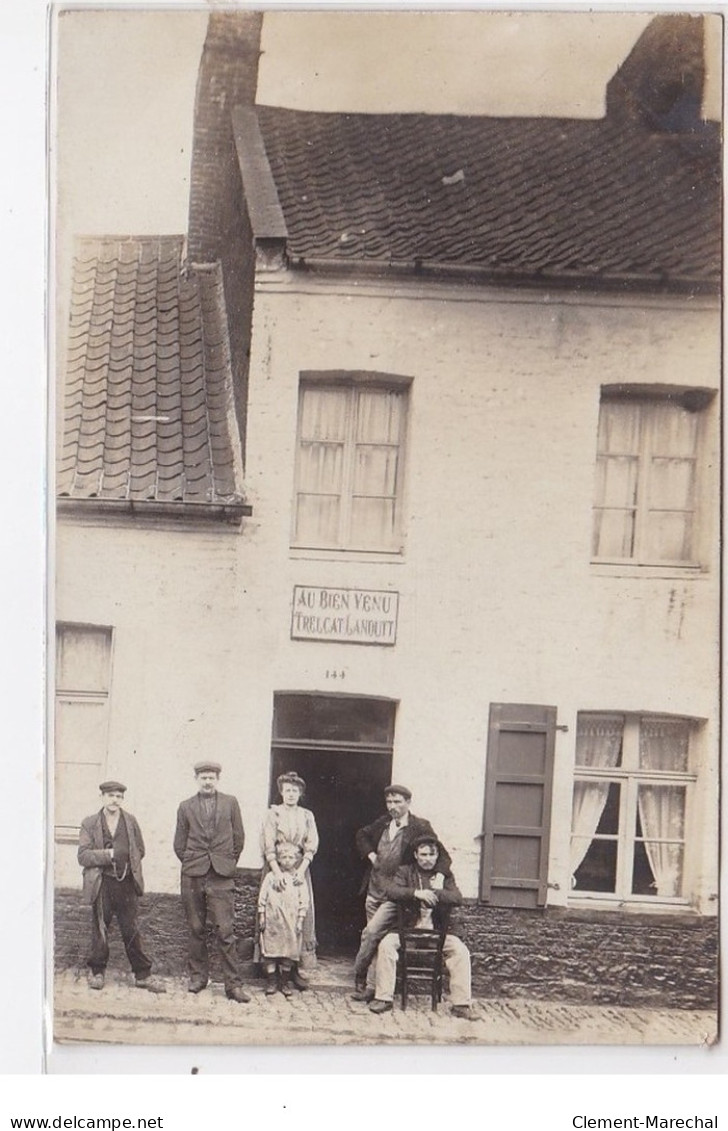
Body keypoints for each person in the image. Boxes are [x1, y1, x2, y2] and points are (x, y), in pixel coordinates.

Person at [352, 785, 451, 1001]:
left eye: (398, 802)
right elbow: (362, 835)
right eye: (389, 802)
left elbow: (442, 855)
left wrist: (441, 876)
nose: (393, 807)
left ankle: (369, 984)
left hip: (398, 896)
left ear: (408, 802)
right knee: (371, 936)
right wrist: (370, 855)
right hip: (375, 889)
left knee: (378, 936)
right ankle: (367, 981)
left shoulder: (420, 826)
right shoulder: (384, 822)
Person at [369, 833, 475, 1020]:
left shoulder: (445, 875)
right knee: (386, 946)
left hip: (437, 932)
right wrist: (417, 893)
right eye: (423, 855)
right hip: (407, 930)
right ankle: (383, 998)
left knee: (461, 951)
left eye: (431, 855)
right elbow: (392, 891)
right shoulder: (405, 871)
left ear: (437, 856)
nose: (427, 860)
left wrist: (435, 892)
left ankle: (461, 1004)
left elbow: (456, 897)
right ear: (416, 855)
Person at [77, 780, 165, 993]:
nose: (114, 800)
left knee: (131, 929)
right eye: (110, 796)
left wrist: (128, 866)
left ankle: (142, 975)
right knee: (100, 928)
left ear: (122, 799)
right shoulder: (90, 823)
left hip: (126, 884)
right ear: (102, 797)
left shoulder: (131, 821)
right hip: (102, 883)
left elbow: (140, 850)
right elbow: (83, 855)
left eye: (118, 796)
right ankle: (97, 972)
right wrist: (109, 855)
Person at [173, 761, 250, 1003]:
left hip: (221, 876)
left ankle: (233, 985)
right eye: (203, 777)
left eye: (212, 777)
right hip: (193, 874)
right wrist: (194, 861)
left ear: (218, 779)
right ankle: (198, 978)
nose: (208, 781)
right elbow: (179, 843)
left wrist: (225, 862)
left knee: (225, 931)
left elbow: (239, 837)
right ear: (196, 779)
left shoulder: (230, 803)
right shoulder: (185, 807)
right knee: (196, 928)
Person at [258, 770, 319, 988]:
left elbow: (311, 844)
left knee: (299, 916)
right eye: (287, 790)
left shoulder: (307, 816)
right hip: (277, 868)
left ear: (300, 793)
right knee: (276, 915)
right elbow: (268, 843)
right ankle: (271, 970)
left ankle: (294, 969)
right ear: (281, 792)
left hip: (299, 869)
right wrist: (276, 872)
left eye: (295, 791)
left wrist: (300, 870)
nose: (291, 794)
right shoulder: (273, 814)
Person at [257, 842, 310, 997]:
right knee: (271, 951)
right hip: (273, 920)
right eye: (284, 857)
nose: (287, 860)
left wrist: (300, 920)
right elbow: (263, 897)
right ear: (278, 859)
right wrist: (262, 915)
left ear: (297, 859)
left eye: (291, 857)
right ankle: (272, 981)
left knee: (288, 952)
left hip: (291, 922)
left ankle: (284, 982)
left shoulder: (298, 879)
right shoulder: (271, 877)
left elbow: (304, 900)